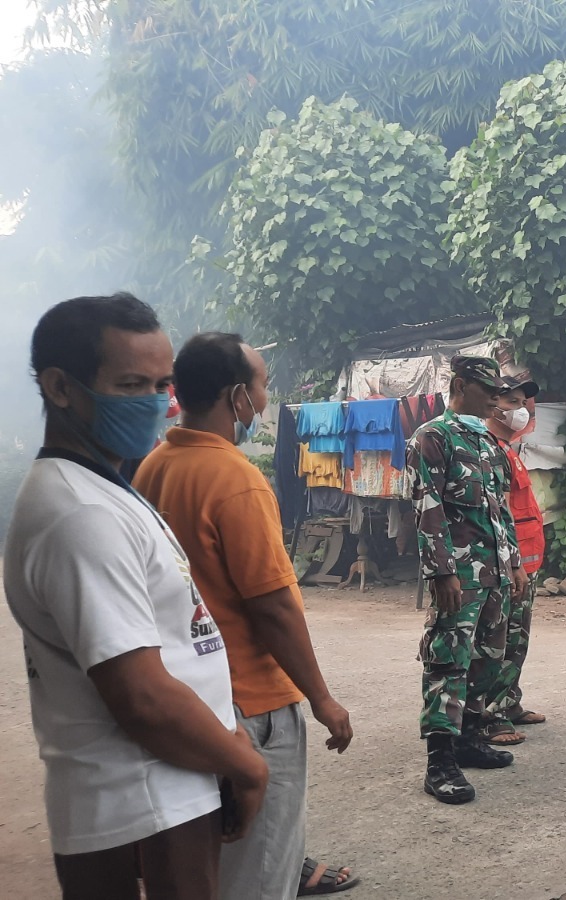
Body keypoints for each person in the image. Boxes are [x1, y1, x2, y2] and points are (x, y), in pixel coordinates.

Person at [5, 294, 268, 899]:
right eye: (131, 384)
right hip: (141, 800)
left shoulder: (103, 487)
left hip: (168, 786)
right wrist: (247, 764)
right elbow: (142, 696)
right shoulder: (81, 516)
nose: (157, 401)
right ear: (61, 388)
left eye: (162, 383)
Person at [134, 333, 358, 898]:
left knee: (213, 861)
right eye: (261, 386)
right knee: (260, 871)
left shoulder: (153, 467)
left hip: (188, 699)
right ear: (237, 397)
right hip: (252, 703)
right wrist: (322, 698)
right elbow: (273, 606)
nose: (264, 400)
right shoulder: (235, 479)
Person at [408, 355, 528, 804]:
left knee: (487, 655)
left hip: (494, 570)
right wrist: (441, 571)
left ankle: (470, 736)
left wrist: (514, 563)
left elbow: (501, 510)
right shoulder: (432, 438)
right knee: (448, 658)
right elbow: (427, 507)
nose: (497, 400)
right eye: (487, 391)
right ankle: (440, 761)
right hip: (459, 573)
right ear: (460, 385)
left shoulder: (489, 444)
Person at [478, 374, 548, 746]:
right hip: (508, 565)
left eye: (522, 403)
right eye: (512, 403)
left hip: (526, 564)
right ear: (493, 405)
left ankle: (509, 700)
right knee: (498, 640)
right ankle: (491, 714)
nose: (520, 410)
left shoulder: (508, 450)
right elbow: (498, 515)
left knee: (518, 638)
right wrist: (513, 564)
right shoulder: (489, 451)